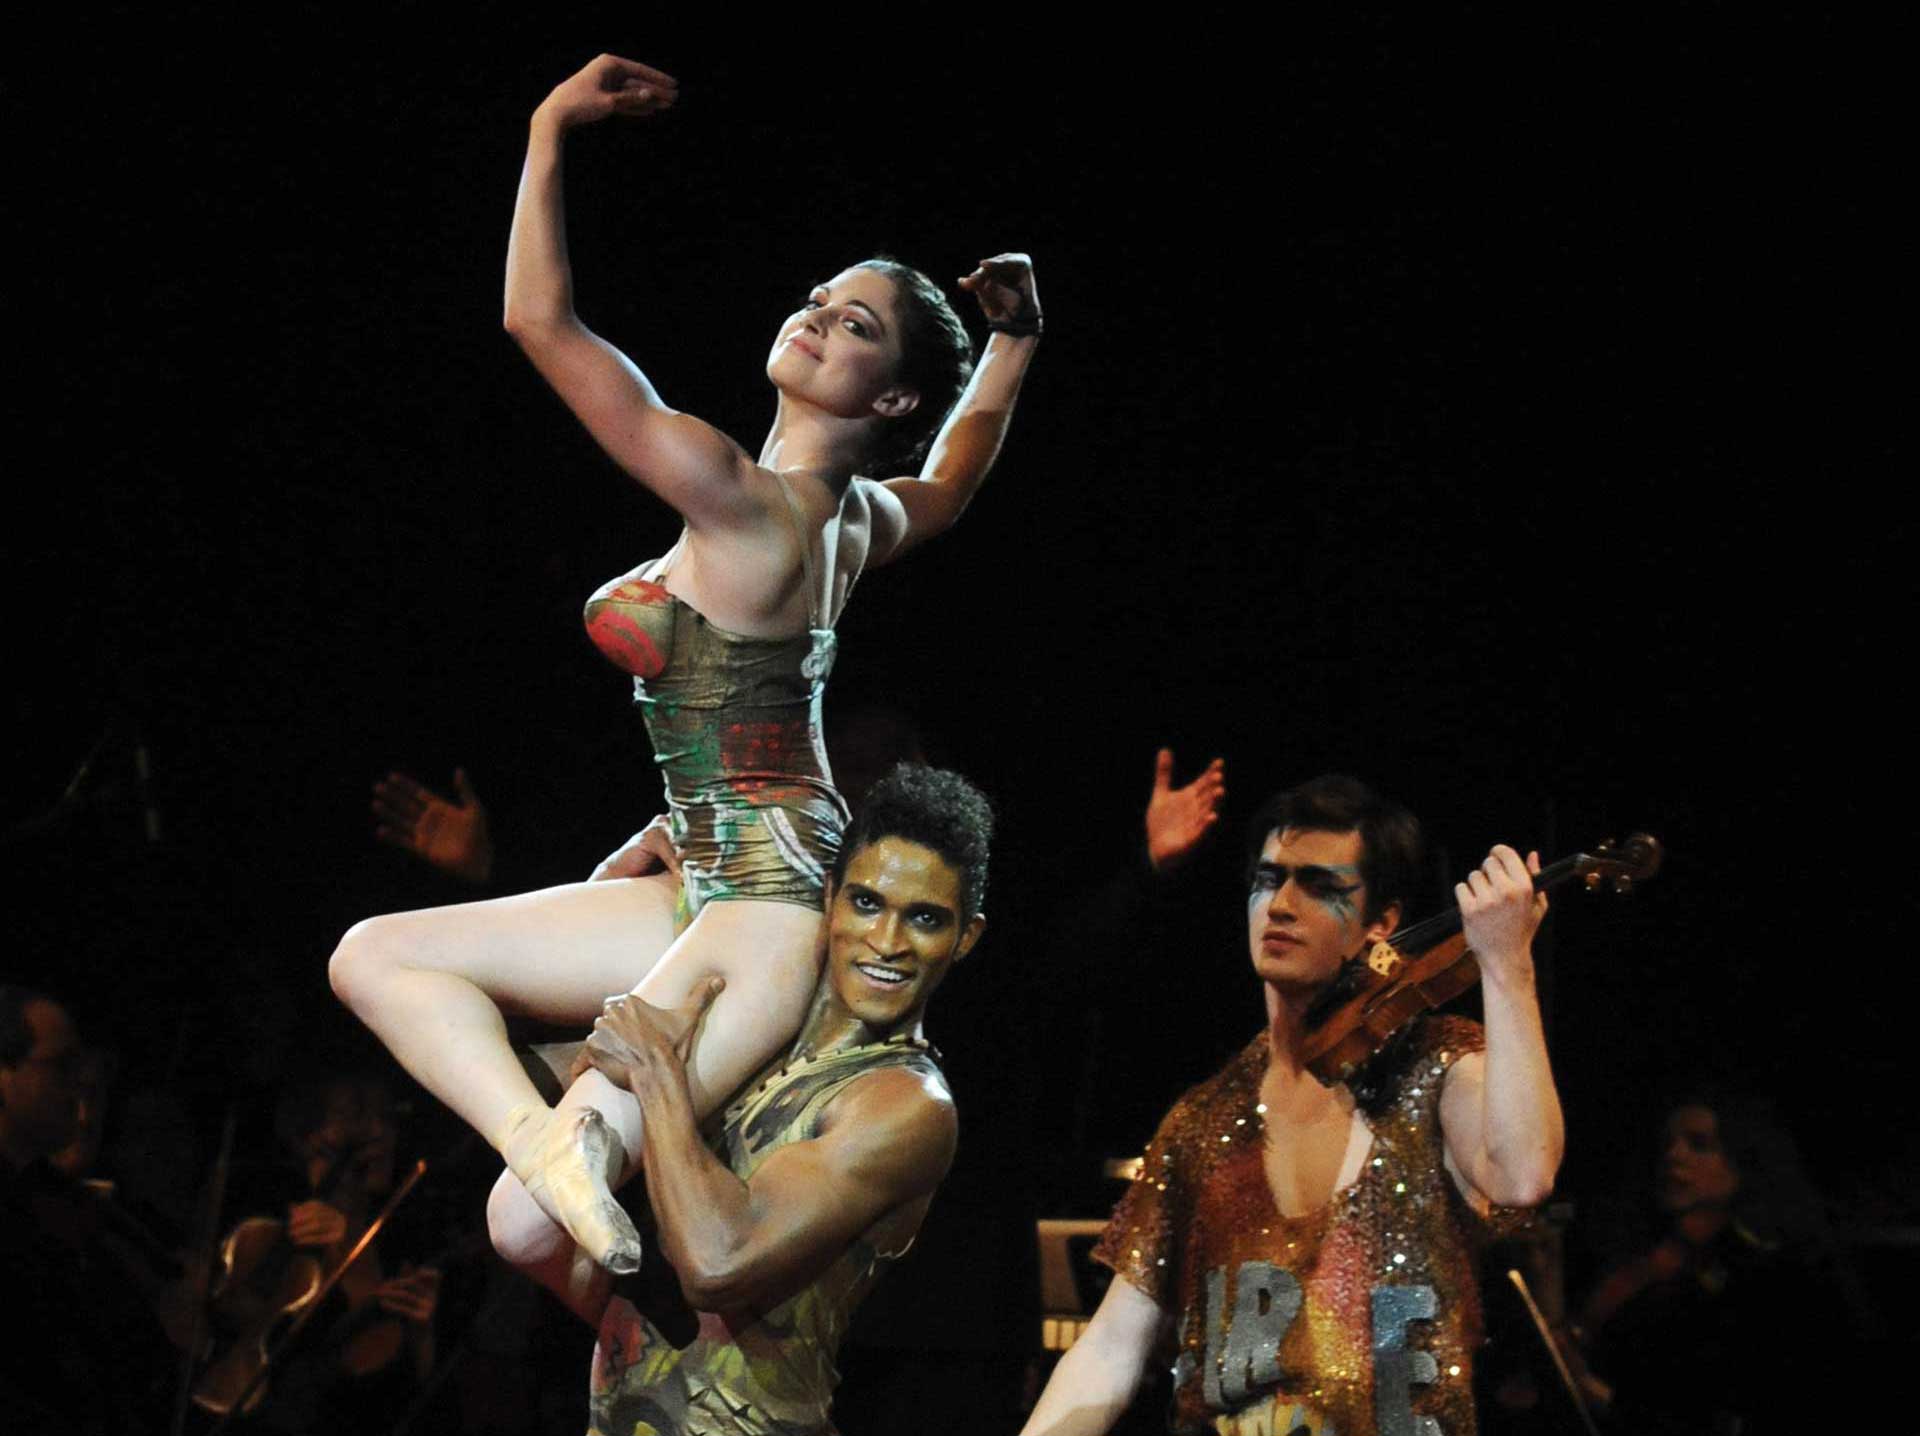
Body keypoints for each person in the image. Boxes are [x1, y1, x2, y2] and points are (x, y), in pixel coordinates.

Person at [327, 52, 1040, 1284]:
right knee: (374, 955)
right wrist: (1018, 339)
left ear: (892, 391)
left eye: (855, 323)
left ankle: (625, 1251)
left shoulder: (744, 499)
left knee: (518, 1225)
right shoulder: (856, 514)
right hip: (713, 865)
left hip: (768, 909)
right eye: (818, 296)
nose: (817, 315)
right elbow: (958, 475)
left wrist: (549, 124)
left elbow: (538, 323)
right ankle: (551, 1147)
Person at [1020, 775, 1565, 1436]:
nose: (1280, 904)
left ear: (1382, 925)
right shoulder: (1205, 1120)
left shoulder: (1436, 1065)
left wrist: (1507, 965)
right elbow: (1109, 1349)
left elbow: (1525, 1173)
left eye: (1321, 886)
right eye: (1266, 878)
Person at [569, 763, 990, 1433]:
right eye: (867, 903)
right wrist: (617, 897)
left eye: (926, 919)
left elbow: (716, 1264)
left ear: (965, 938)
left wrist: (656, 1075)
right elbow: (571, 1093)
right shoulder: (754, 1030)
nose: (887, 942)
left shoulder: (906, 1104)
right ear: (829, 897)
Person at [1571, 1092, 1865, 1435]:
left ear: (1742, 1159)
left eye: (1699, 1145)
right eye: (1668, 1143)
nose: (1673, 1156)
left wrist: (1595, 1393)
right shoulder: (1647, 1258)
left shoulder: (1777, 1275)